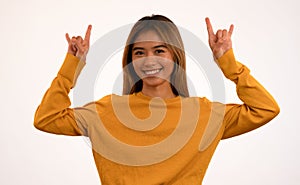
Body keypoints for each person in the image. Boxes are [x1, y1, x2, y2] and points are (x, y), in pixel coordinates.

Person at [34, 15, 280, 184]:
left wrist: (229, 64)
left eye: (159, 50)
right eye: (139, 52)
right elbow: (46, 119)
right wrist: (72, 66)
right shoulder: (107, 111)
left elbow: (265, 108)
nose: (149, 60)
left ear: (176, 56)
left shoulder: (204, 113)